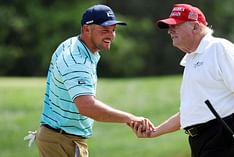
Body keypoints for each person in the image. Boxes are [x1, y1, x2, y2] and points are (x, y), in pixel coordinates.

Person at [129, 3, 234, 157]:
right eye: (170, 27)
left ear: (195, 27)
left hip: (224, 134)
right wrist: (155, 132)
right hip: (200, 140)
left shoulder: (219, 48)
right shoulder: (191, 59)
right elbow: (190, 112)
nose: (170, 31)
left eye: (175, 26)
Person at [29, 4, 153, 157]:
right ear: (87, 29)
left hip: (60, 137)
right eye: (105, 30)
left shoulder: (74, 44)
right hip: (62, 140)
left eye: (113, 30)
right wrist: (130, 118)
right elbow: (87, 107)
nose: (111, 35)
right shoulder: (77, 60)